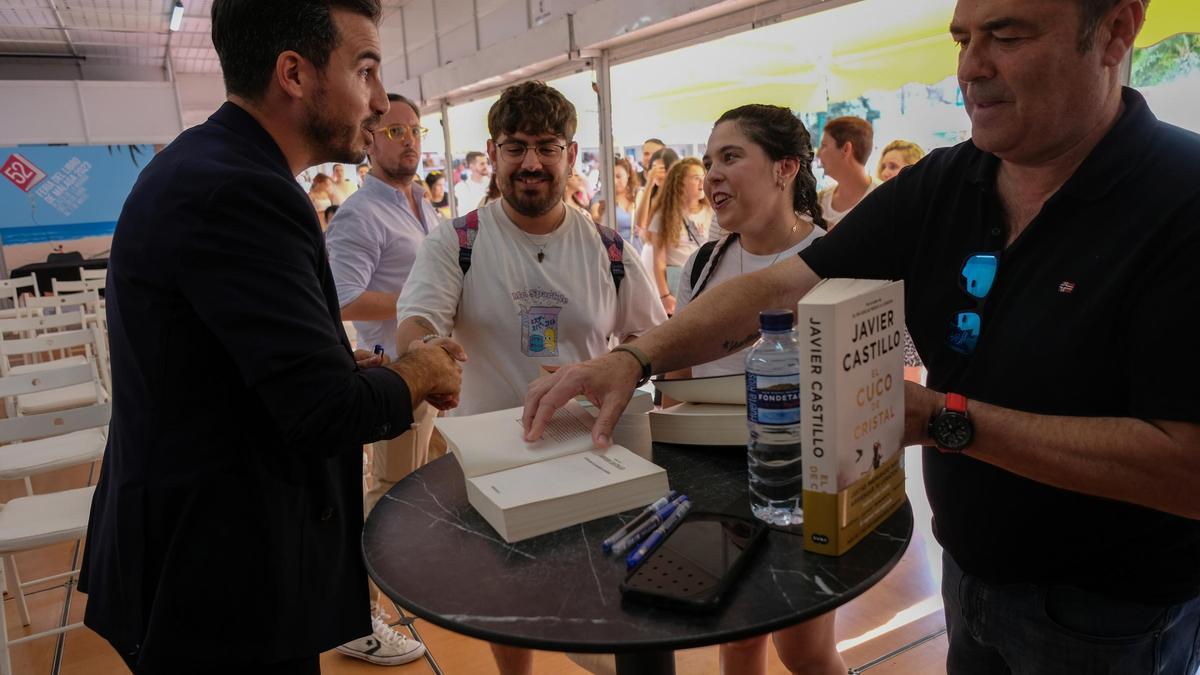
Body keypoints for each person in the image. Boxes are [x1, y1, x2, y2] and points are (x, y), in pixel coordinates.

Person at [524, 2, 1200, 674]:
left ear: (1115, 32)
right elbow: (777, 291)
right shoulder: (945, 183)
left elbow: (1187, 466)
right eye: (963, 38)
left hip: (1116, 619)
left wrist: (947, 421)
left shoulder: (1179, 198)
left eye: (1008, 35)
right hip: (968, 578)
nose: (971, 67)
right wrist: (633, 357)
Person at [78, 2, 464, 673]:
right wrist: (420, 371)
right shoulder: (242, 190)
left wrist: (349, 365)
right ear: (294, 73)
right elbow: (323, 412)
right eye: (365, 71)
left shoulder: (209, 164)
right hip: (215, 581)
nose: (377, 101)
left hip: (199, 552)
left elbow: (242, 367)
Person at [394, 80, 665, 675]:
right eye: (515, 147)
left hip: (594, 453)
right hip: (493, 464)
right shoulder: (458, 241)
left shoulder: (609, 249)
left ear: (571, 154)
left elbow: (653, 339)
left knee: (611, 594)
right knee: (504, 595)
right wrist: (424, 353)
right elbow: (417, 324)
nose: (532, 163)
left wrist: (611, 368)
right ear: (492, 154)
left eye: (548, 146)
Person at [666, 104, 836, 674]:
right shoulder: (705, 263)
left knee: (805, 649)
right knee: (736, 636)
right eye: (710, 159)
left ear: (786, 168)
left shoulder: (837, 257)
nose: (711, 173)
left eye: (731, 157)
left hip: (806, 479)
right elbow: (681, 375)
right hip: (714, 477)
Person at [324, 91, 443, 666]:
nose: (410, 140)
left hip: (433, 366)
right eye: (394, 131)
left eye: (415, 129)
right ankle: (356, 616)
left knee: (430, 478)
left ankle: (414, 571)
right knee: (387, 490)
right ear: (368, 139)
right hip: (395, 370)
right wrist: (419, 303)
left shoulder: (421, 202)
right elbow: (341, 298)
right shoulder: (360, 213)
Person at [875, 139, 928, 383]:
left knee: (909, 382)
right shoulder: (881, 208)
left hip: (910, 302)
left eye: (893, 166)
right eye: (884, 165)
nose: (886, 172)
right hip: (884, 305)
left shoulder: (922, 209)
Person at [648, 157, 713, 315]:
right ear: (680, 182)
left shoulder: (712, 212)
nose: (701, 183)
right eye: (696, 178)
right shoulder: (664, 216)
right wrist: (665, 295)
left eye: (703, 178)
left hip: (707, 282)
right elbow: (659, 261)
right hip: (678, 285)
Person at [815, 116, 880, 229]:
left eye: (824, 145)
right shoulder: (820, 200)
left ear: (846, 149)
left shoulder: (881, 199)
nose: (818, 154)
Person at [589, 155, 640, 248]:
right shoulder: (601, 196)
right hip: (616, 253)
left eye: (618, 176)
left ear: (628, 174)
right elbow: (595, 216)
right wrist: (600, 215)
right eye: (611, 177)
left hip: (638, 251)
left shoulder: (637, 194)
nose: (615, 181)